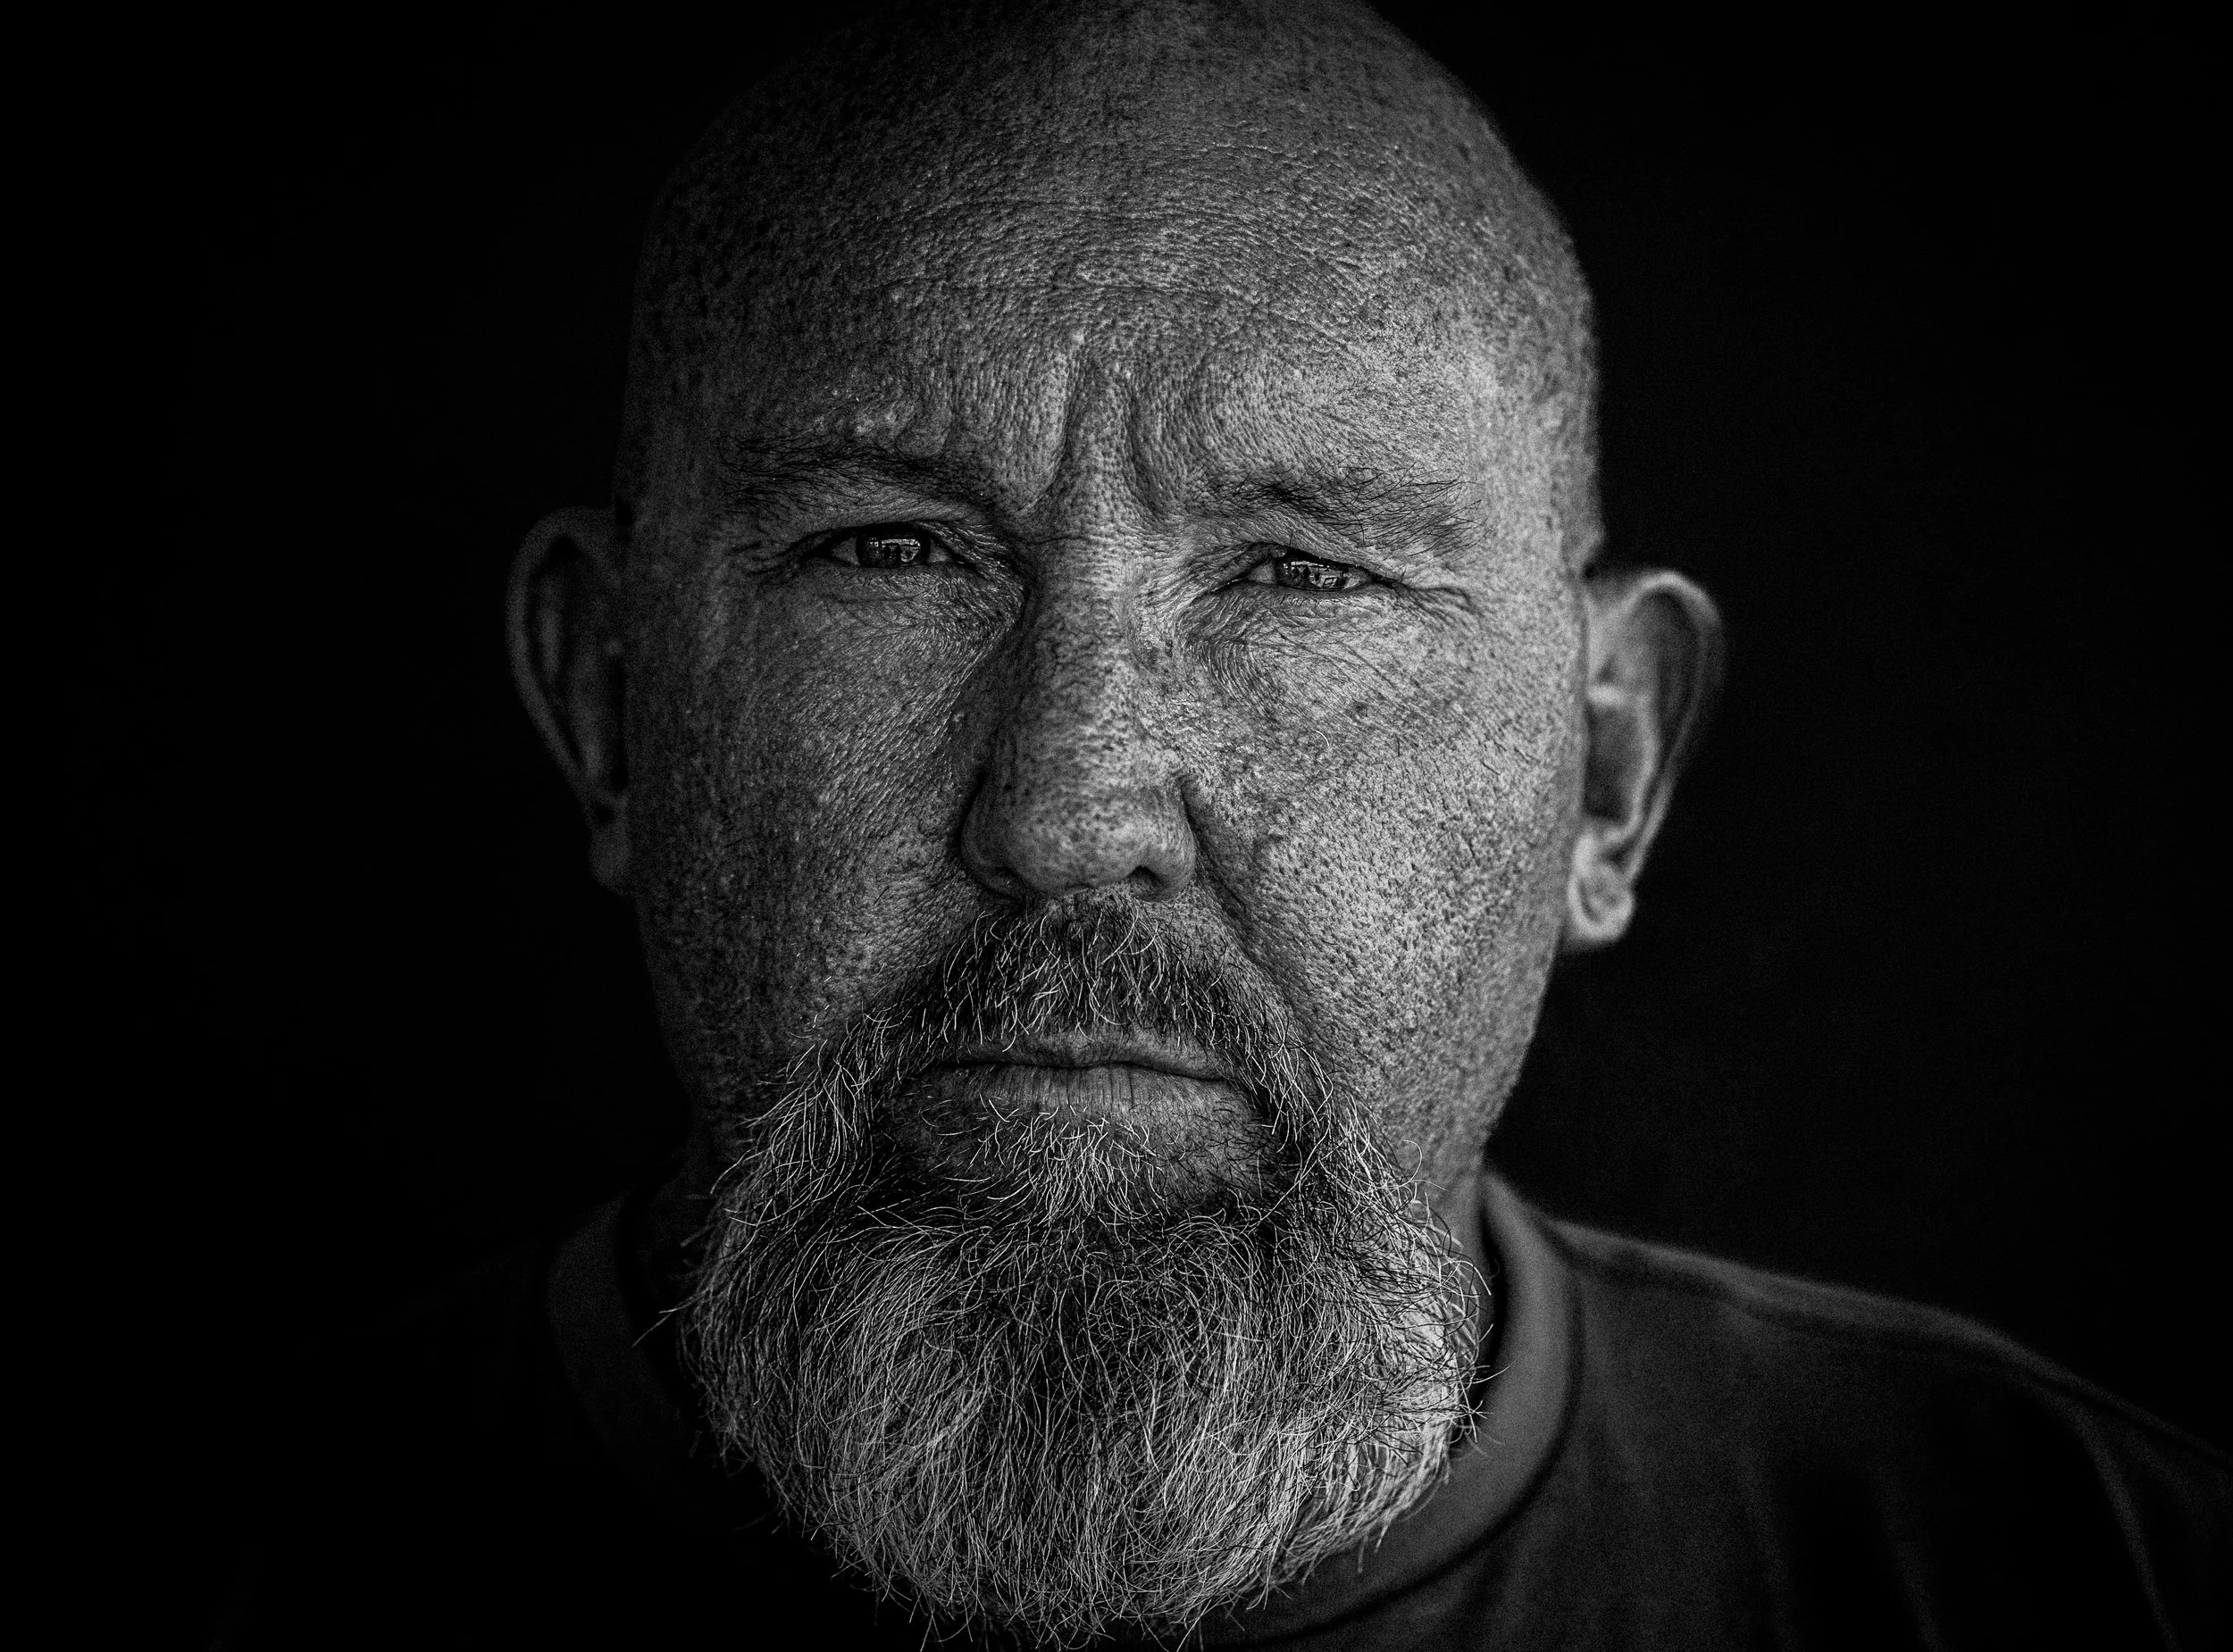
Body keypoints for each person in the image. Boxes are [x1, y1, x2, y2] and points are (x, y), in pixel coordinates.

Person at [222, 2, 2229, 1646]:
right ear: (609, 713)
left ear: (1609, 772)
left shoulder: (2081, 1578)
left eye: (1302, 577)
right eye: (890, 551)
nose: (1074, 807)